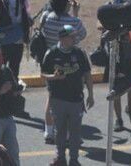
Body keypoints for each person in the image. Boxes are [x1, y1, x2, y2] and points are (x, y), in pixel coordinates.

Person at [41, 25, 94, 166]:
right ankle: (60, 158)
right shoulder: (51, 53)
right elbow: (43, 75)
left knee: (75, 133)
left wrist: (91, 94)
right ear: (63, 38)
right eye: (71, 36)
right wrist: (54, 77)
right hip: (57, 99)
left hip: (76, 99)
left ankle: (74, 160)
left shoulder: (79, 53)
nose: (74, 39)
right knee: (60, 131)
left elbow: (87, 74)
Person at [39, 0, 86, 145]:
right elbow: (80, 35)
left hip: (50, 61)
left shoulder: (46, 17)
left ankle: (49, 131)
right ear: (66, 4)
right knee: (68, 100)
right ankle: (65, 134)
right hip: (69, 63)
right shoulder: (74, 22)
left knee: (51, 97)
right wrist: (75, 13)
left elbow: (42, 29)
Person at [102, 26, 131, 132]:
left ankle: (130, 108)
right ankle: (119, 119)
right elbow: (99, 25)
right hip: (115, 58)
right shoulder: (111, 12)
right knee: (115, 90)